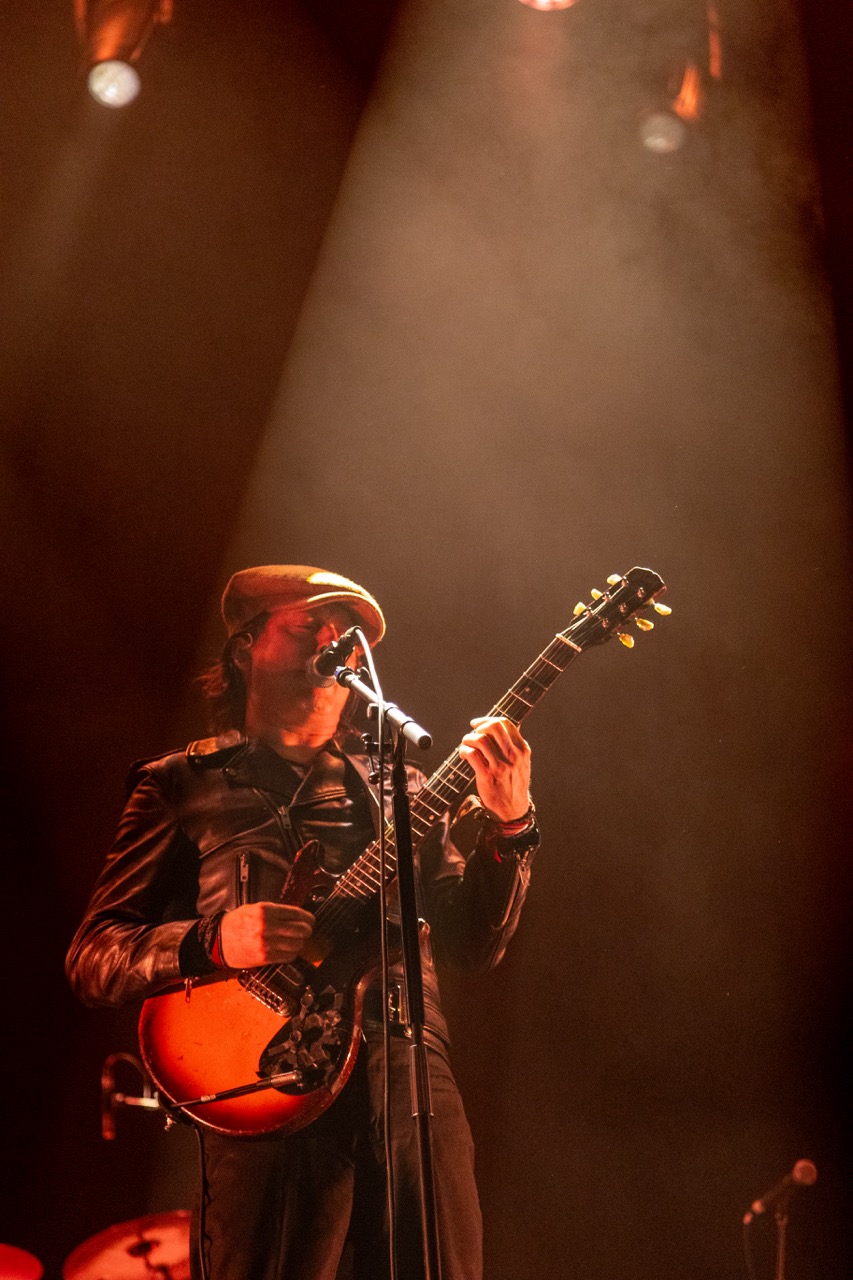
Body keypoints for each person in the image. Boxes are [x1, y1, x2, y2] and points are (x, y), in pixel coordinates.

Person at [66, 565, 539, 1280]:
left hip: (408, 1069)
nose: (335, 637)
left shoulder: (403, 790)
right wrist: (212, 939)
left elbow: (475, 942)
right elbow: (95, 956)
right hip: (257, 1078)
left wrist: (510, 824)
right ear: (245, 647)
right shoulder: (179, 783)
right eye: (308, 622)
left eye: (346, 628)